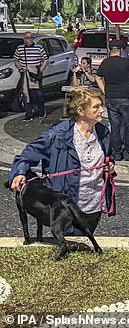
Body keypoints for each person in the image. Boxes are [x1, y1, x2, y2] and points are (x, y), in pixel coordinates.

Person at [10, 88, 115, 235]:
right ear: (81, 111)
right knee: (72, 247)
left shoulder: (103, 132)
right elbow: (28, 154)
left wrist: (109, 166)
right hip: (67, 204)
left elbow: (108, 156)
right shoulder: (57, 135)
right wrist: (19, 173)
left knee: (85, 246)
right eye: (96, 107)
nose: (102, 110)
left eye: (101, 106)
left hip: (94, 203)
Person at [96, 41, 129, 162]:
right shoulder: (125, 62)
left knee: (115, 126)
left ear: (110, 50)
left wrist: (104, 90)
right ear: (121, 50)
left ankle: (117, 152)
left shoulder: (105, 63)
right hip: (125, 97)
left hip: (110, 98)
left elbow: (98, 77)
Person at [14, 31, 49, 121]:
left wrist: (40, 70)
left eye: (30, 37)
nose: (29, 39)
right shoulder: (20, 48)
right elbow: (16, 60)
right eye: (27, 38)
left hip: (35, 73)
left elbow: (45, 59)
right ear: (24, 39)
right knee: (26, 94)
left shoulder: (39, 48)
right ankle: (29, 113)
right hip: (25, 74)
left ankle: (41, 111)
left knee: (38, 93)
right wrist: (20, 69)